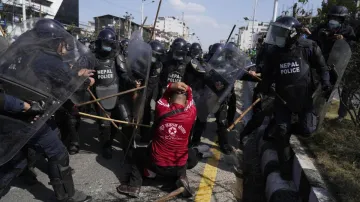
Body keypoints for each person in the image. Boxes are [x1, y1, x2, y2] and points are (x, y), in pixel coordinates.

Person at [0, 18, 94, 202]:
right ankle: (68, 196)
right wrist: (86, 80)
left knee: (18, 156)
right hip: (31, 116)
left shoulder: (18, 52)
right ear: (54, 40)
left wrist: (74, 73)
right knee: (58, 153)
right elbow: (70, 83)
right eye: (61, 41)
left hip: (9, 113)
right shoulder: (47, 58)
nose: (64, 46)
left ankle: (19, 176)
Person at [259, 16, 331, 180]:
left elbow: (322, 67)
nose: (277, 36)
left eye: (281, 32)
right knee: (282, 132)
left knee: (308, 130)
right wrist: (264, 87)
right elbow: (267, 74)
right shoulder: (275, 52)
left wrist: (326, 82)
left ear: (292, 33)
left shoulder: (309, 47)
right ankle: (285, 170)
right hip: (282, 99)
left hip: (304, 98)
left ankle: (289, 128)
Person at [116, 82, 201, 198]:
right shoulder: (191, 113)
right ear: (186, 103)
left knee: (137, 153)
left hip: (157, 165)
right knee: (190, 153)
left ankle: (134, 186)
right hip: (178, 166)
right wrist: (188, 88)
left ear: (170, 100)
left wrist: (171, 86)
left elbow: (164, 96)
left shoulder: (161, 109)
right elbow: (191, 98)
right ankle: (180, 177)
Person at [92, 28, 136, 159]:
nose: (106, 47)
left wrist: (132, 82)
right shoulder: (92, 58)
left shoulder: (117, 57)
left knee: (126, 121)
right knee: (104, 125)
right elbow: (85, 75)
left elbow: (124, 75)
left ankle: (128, 148)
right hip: (100, 95)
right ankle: (106, 146)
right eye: (104, 44)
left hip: (118, 94)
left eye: (109, 44)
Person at [141, 40, 166, 140]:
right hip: (141, 90)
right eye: (153, 55)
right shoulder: (141, 62)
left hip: (153, 91)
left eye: (157, 56)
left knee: (148, 113)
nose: (155, 58)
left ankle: (145, 135)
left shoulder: (160, 65)